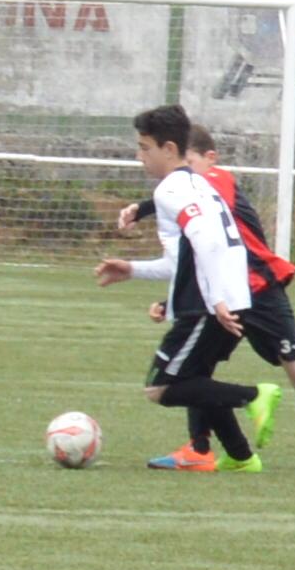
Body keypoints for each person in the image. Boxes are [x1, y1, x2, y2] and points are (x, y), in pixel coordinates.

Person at [121, 124, 295, 471]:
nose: (185, 170)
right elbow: (197, 254)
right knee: (196, 372)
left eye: (191, 161)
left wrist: (143, 208)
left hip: (260, 290)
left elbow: (197, 218)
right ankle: (208, 449)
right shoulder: (191, 188)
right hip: (225, 291)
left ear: (210, 159)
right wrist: (171, 299)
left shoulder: (213, 181)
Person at [95, 105, 282, 473]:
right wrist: (132, 269)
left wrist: (217, 301)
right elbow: (182, 260)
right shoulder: (198, 184)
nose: (140, 156)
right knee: (196, 379)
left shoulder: (171, 189)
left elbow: (205, 240)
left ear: (168, 149)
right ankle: (241, 457)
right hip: (230, 296)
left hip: (209, 305)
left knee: (161, 387)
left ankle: (254, 396)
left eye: (144, 148)